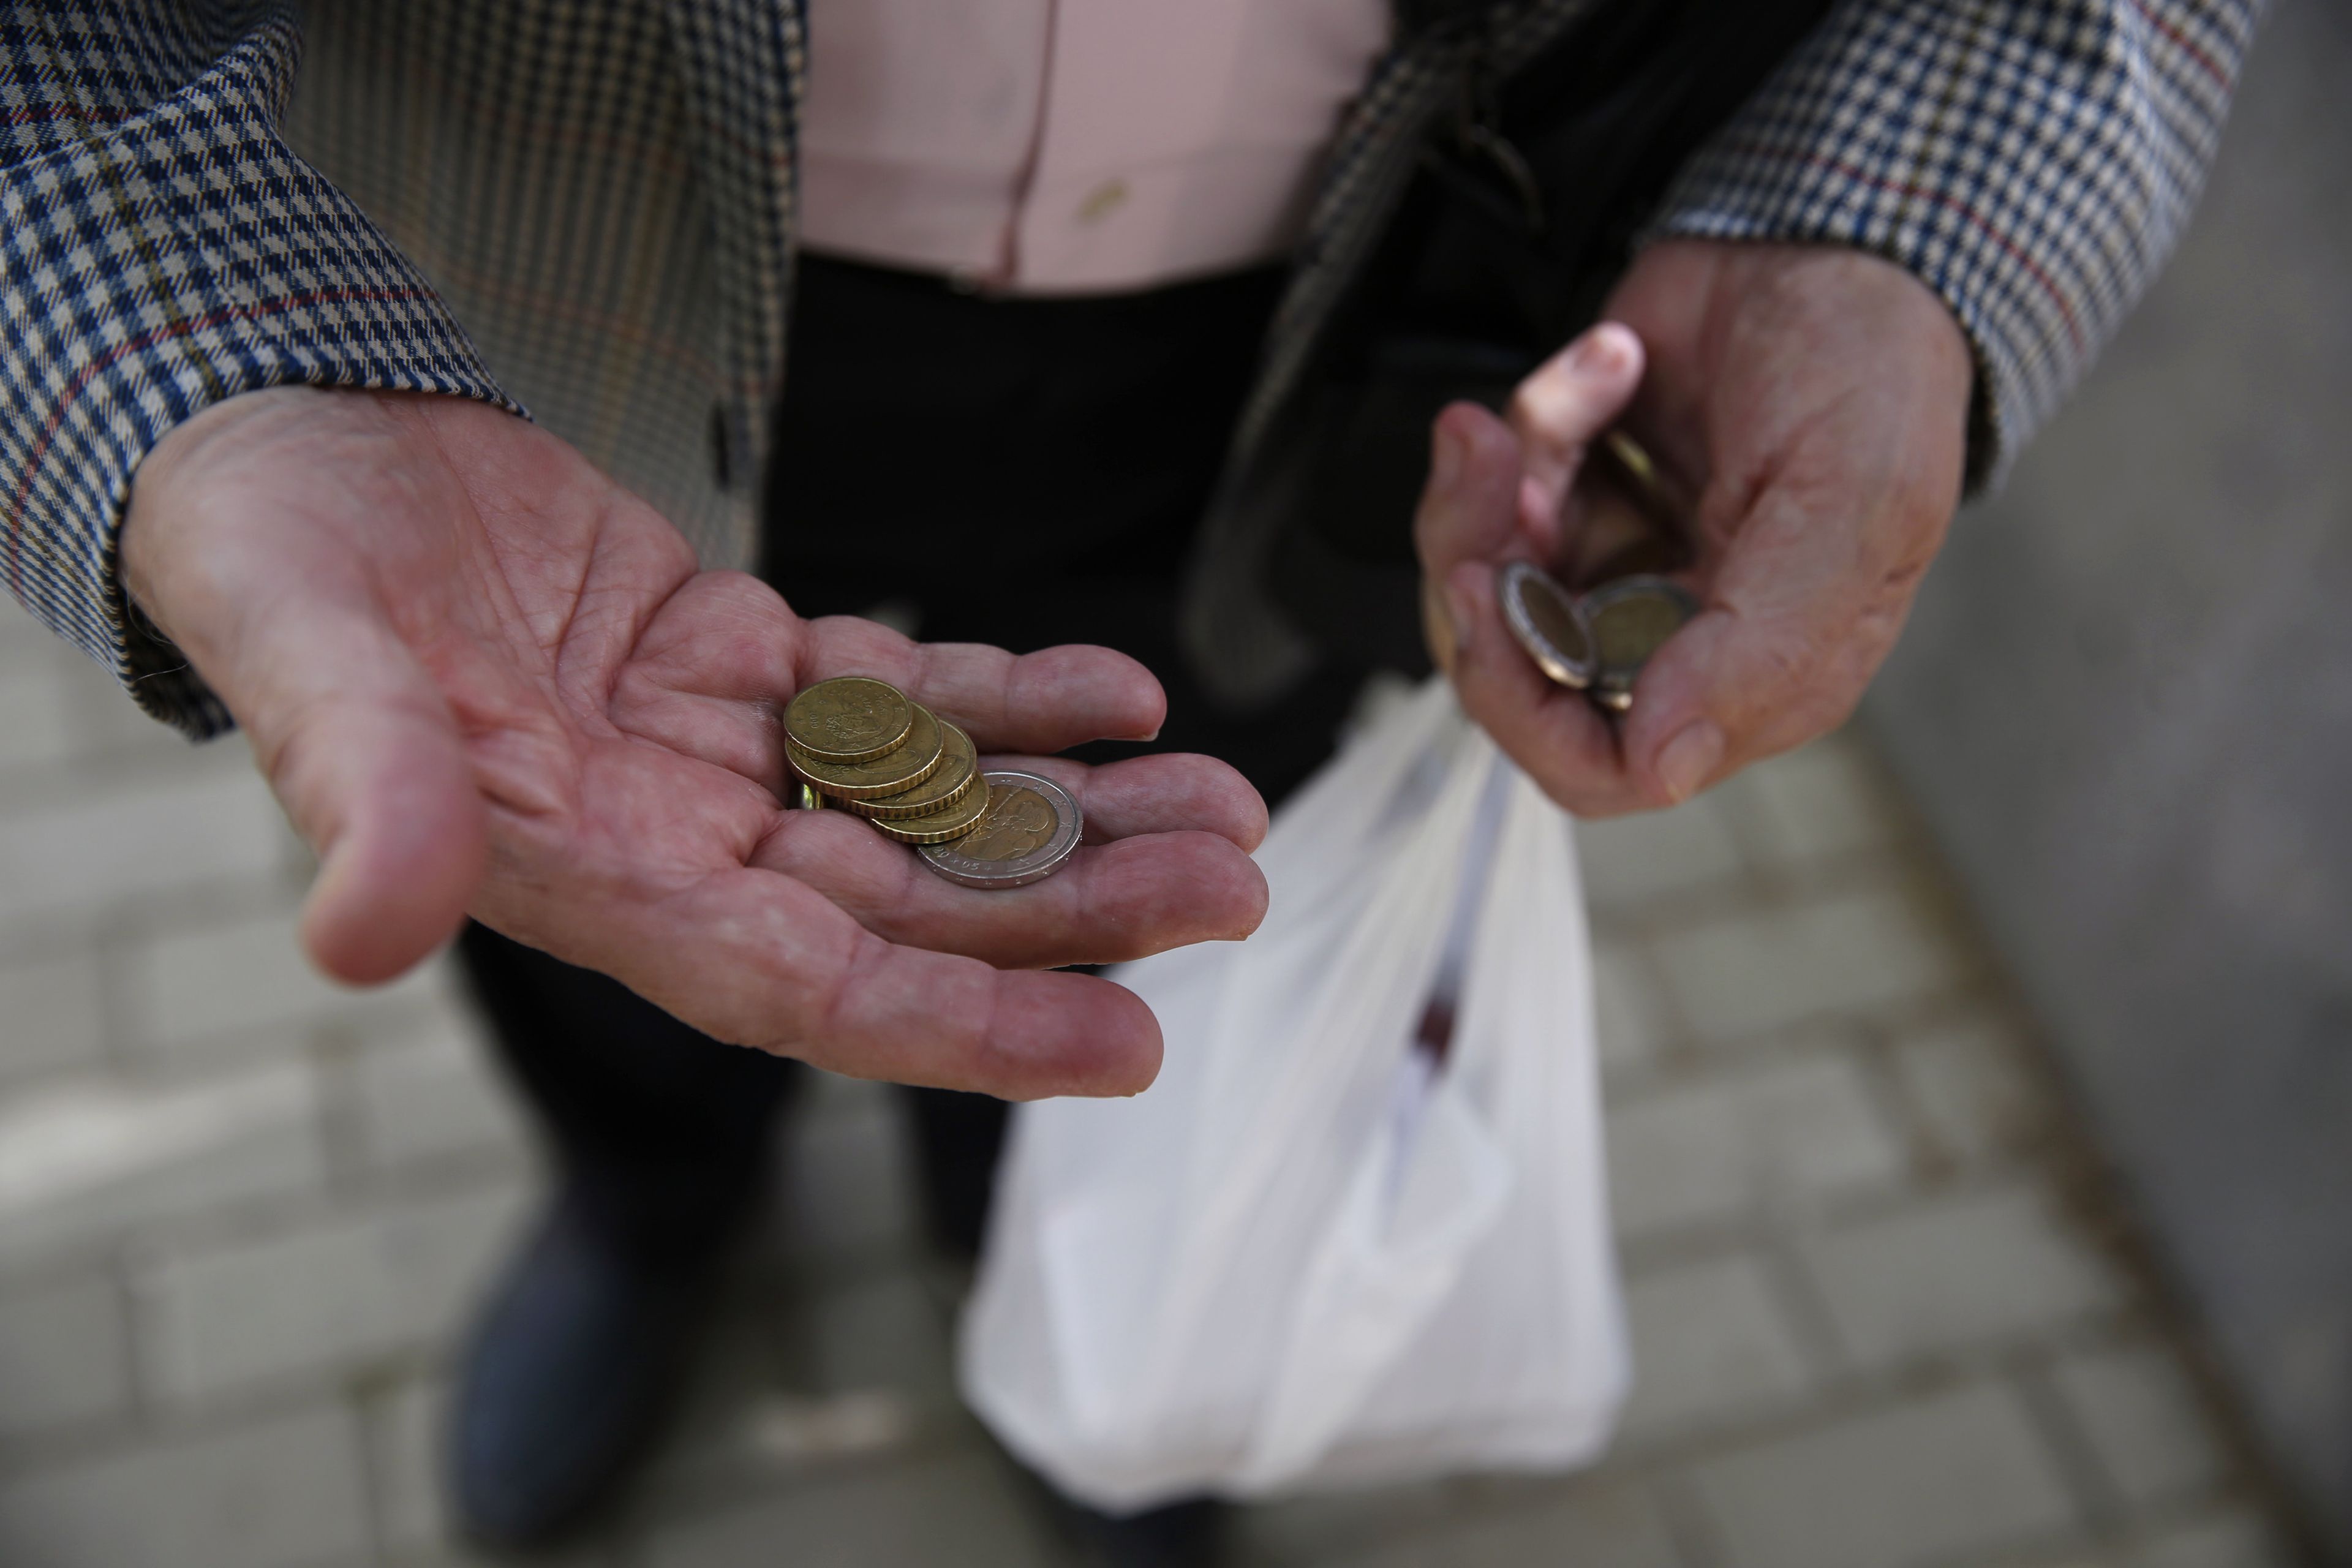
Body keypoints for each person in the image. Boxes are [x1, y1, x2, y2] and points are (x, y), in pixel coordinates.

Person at [1, 0, 2259, 1559]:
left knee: (1144, 899)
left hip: (1344, 309)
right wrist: (176, 342)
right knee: (593, 890)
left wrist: (1890, 209)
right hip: (500, 304)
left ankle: (1048, 1282)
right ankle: (649, 1202)